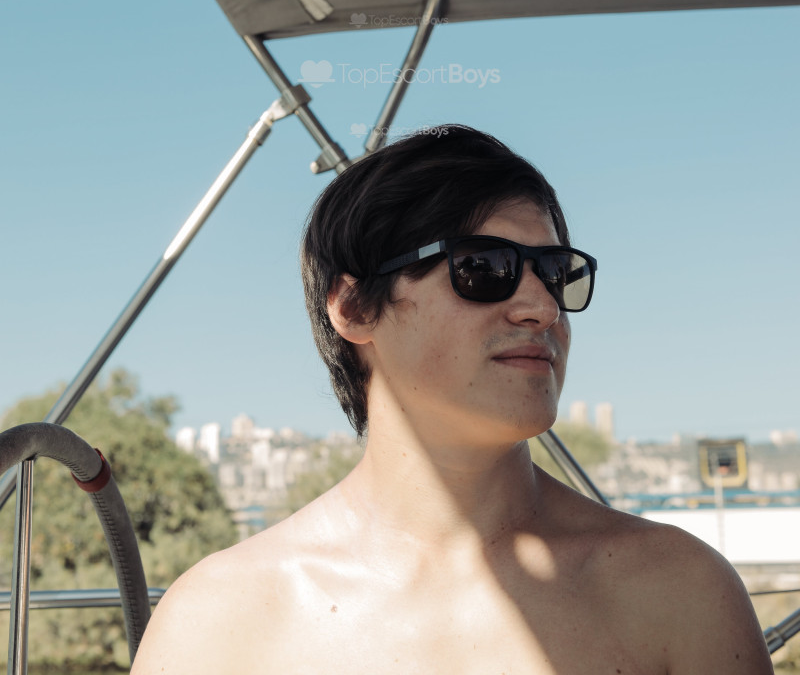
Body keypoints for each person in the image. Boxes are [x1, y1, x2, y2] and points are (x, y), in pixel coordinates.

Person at [131, 125, 772, 674]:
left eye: (555, 273)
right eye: (484, 267)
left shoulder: (679, 593)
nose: (542, 307)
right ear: (354, 306)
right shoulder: (219, 621)